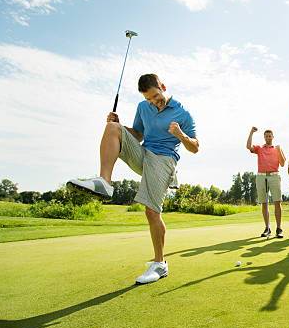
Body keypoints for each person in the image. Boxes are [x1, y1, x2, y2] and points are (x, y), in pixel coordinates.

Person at [68, 74, 198, 285]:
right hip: (143, 154)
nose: (153, 102)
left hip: (164, 160)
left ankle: (160, 264)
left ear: (163, 87)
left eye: (156, 96)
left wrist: (181, 135)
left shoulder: (183, 113)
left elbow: (195, 148)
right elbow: (137, 134)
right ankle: (105, 182)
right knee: (112, 128)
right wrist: (121, 127)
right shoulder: (143, 107)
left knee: (151, 210)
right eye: (149, 99)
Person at [246, 127, 286, 238]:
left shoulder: (277, 148)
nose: (268, 138)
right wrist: (251, 132)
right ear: (264, 137)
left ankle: (279, 229)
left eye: (270, 136)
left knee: (277, 202)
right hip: (261, 176)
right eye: (266, 136)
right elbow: (248, 146)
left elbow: (282, 163)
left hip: (274, 175)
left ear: (273, 137)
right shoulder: (259, 148)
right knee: (264, 203)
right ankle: (267, 228)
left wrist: (279, 150)